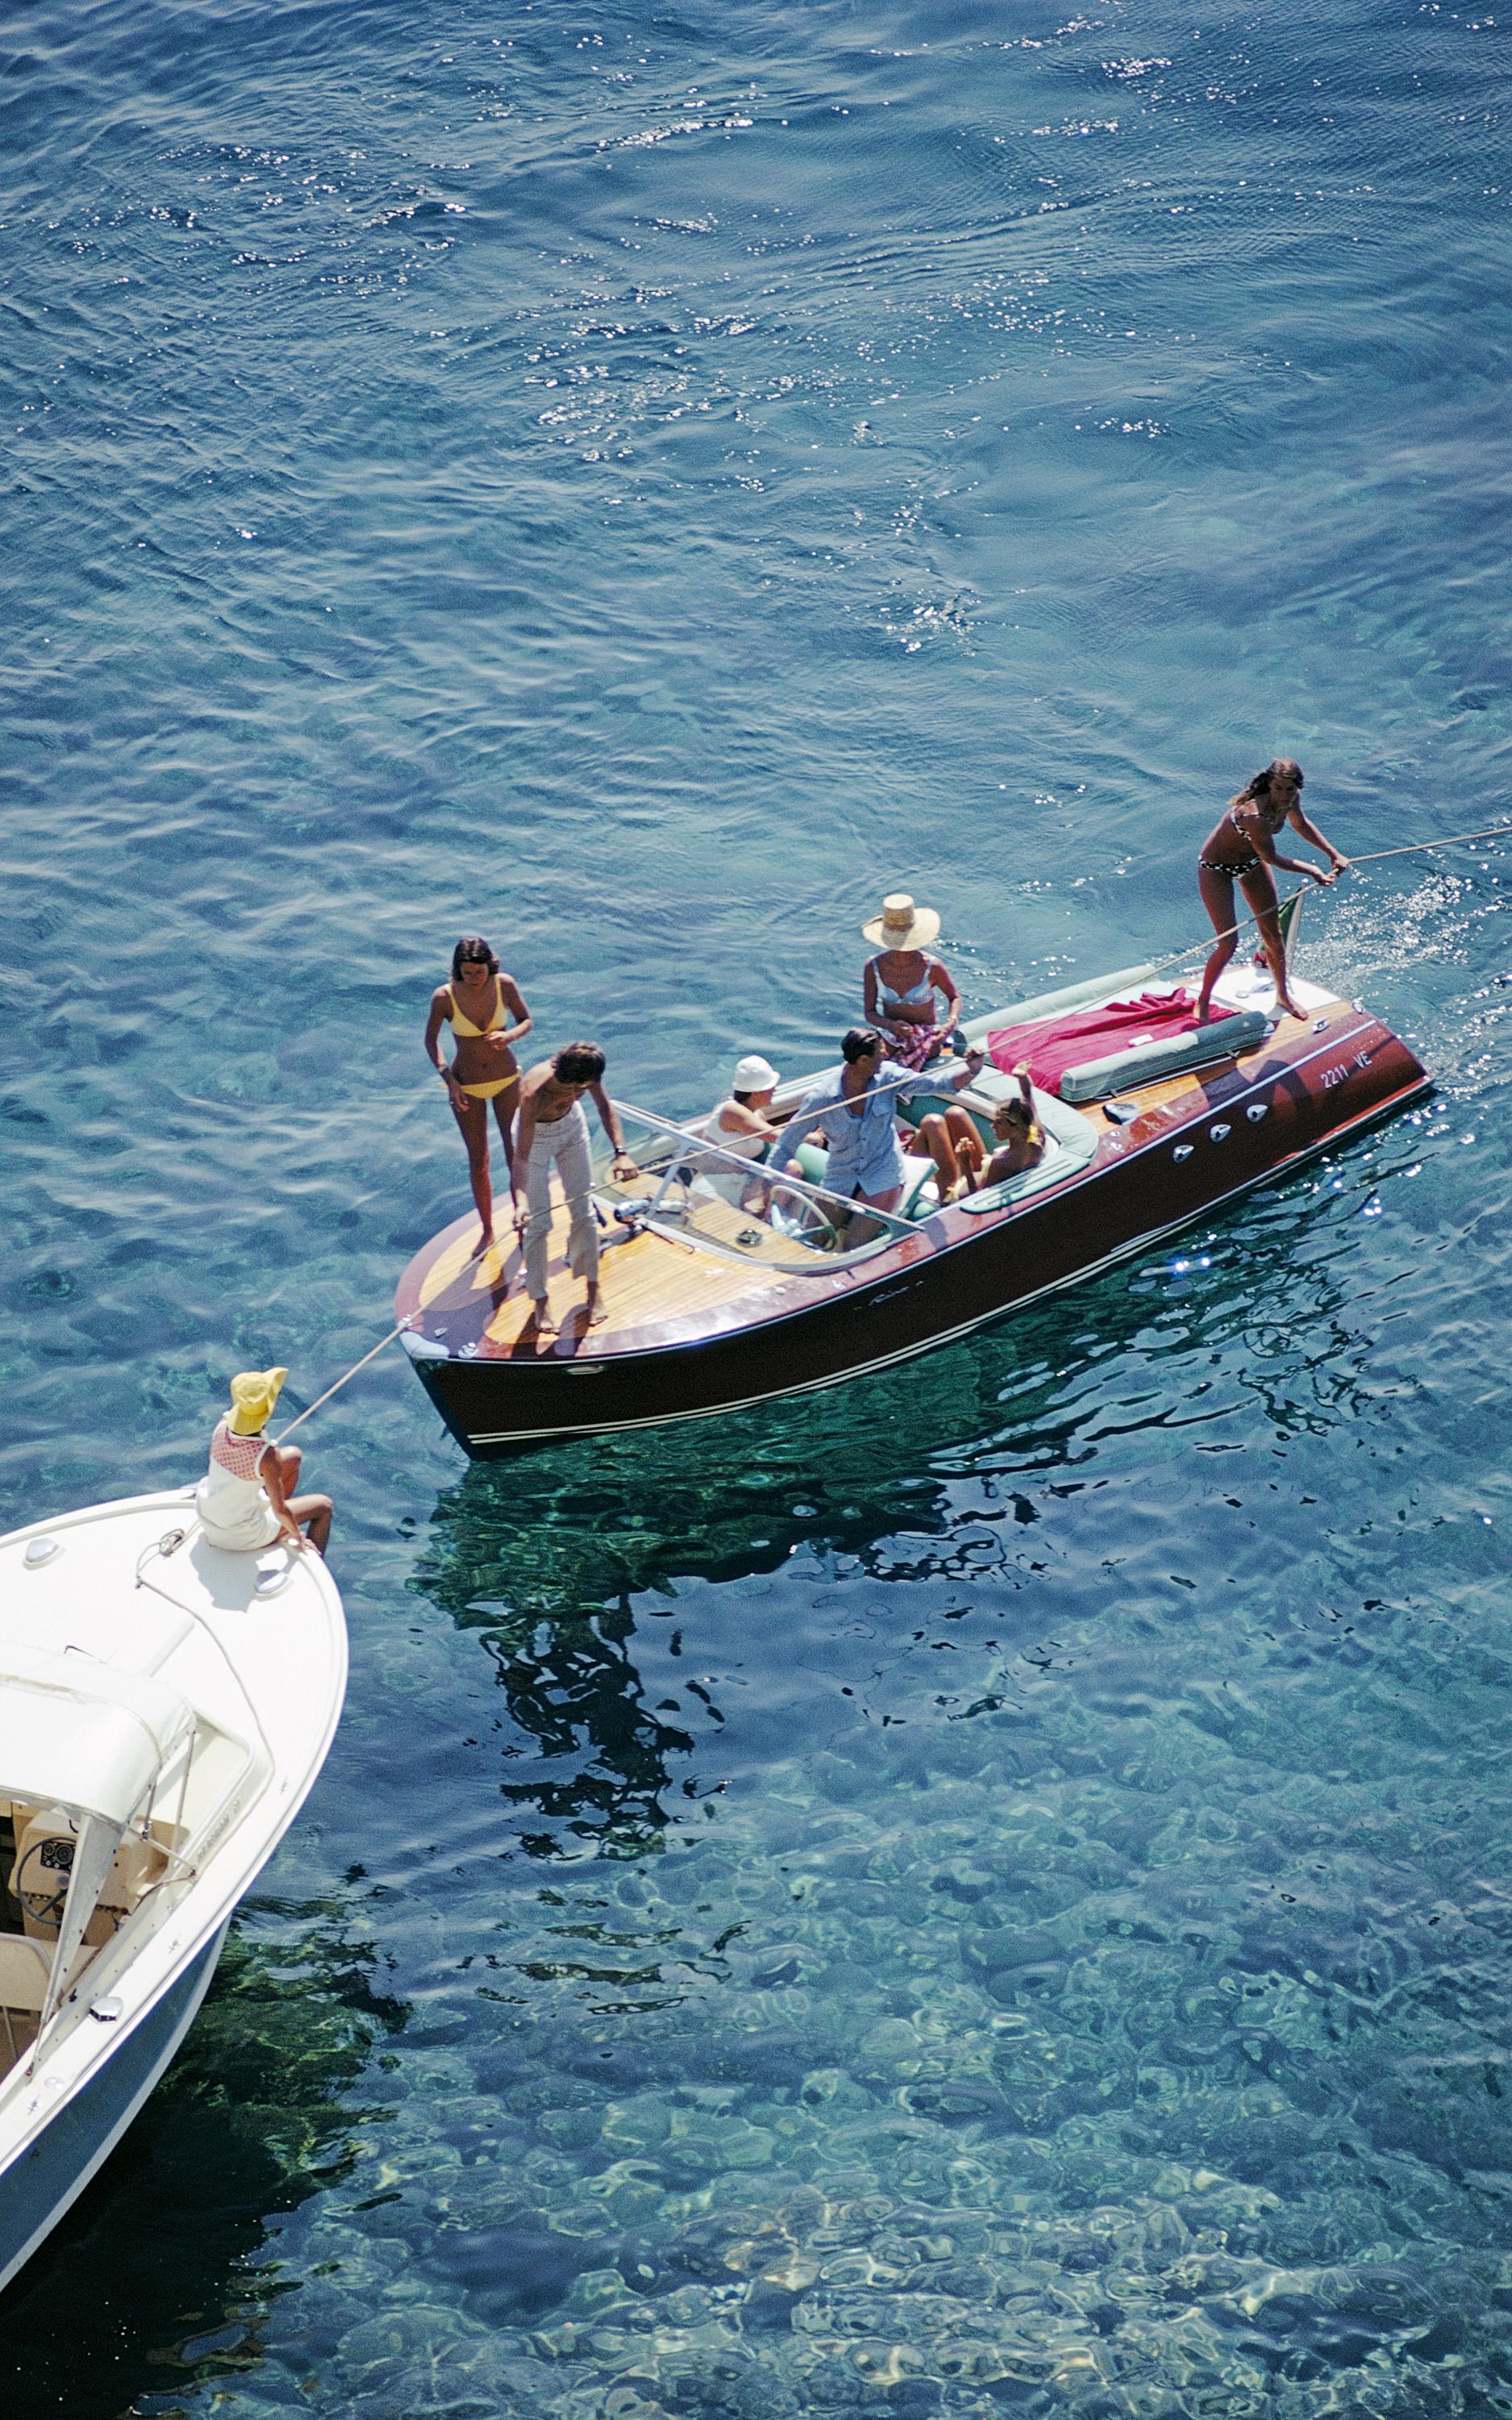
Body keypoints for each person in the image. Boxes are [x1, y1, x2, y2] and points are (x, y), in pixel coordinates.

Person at [767, 1026, 987, 1222]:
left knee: (855, 1244)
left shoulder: (888, 1076)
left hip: (883, 1173)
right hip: (841, 1175)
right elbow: (786, 1145)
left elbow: (937, 1083)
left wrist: (972, 1070)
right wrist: (765, 1190)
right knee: (814, 1237)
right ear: (862, 1061)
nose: (885, 1057)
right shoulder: (822, 1098)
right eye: (880, 1054)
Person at [1195, 761, 1347, 1023]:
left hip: (1251, 864)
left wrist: (1333, 854)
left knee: (1273, 935)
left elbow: (1301, 825)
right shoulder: (1253, 815)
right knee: (1229, 943)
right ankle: (1204, 999)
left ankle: (1283, 996)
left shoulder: (1291, 799)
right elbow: (1271, 856)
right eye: (1279, 788)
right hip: (1216, 869)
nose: (1284, 795)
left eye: (1290, 789)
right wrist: (1312, 869)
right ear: (1269, 784)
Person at [514, 1043, 638, 1335]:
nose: (575, 1095)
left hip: (572, 1129)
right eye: (572, 1089)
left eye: (582, 1089)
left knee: (584, 1212)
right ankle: (540, 1299)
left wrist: (621, 1152)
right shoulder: (534, 1094)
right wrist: (520, 1201)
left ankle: (593, 1288)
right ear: (562, 1076)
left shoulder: (586, 1071)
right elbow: (520, 1156)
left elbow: (605, 1107)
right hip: (537, 1138)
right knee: (539, 1223)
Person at [424, 937, 533, 1257]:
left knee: (516, 1153)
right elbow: (431, 1041)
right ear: (457, 970)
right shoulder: (444, 997)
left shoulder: (505, 985)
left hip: (507, 1079)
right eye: (467, 972)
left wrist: (510, 1034)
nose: (474, 978)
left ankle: (522, 1221)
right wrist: (448, 1079)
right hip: (467, 1084)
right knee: (479, 1159)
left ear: (490, 966)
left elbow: (526, 1020)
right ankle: (487, 1231)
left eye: (479, 971)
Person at [195, 1368, 332, 1556]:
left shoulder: (222, 1426)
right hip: (239, 1536)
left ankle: (277, 1525)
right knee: (324, 1506)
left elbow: (244, 1466)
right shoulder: (266, 1455)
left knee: (293, 1455)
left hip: (209, 1518)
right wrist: (297, 1534)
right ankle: (313, 1555)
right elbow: (281, 1510)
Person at [861, 893, 962, 1066]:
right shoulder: (873, 966)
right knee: (871, 1058)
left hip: (927, 1034)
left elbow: (955, 998)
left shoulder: (932, 966)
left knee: (921, 1054)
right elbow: (869, 1013)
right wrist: (891, 1025)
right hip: (893, 1033)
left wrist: (950, 1023)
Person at [704, 1053, 783, 1206]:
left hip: (744, 1183)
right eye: (770, 1087)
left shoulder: (757, 1115)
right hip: (716, 1187)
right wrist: (808, 1136)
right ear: (756, 1093)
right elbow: (775, 1136)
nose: (775, 1090)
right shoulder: (731, 1111)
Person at [967, 1065, 1047, 1191]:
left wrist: (964, 1161)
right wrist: (1022, 1077)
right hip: (981, 1174)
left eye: (999, 1123)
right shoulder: (1037, 1139)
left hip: (963, 1189)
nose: (992, 1126)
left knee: (932, 1123)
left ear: (1016, 1127)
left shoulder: (1001, 1164)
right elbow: (1028, 1095)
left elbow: (976, 1194)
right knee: (955, 1113)